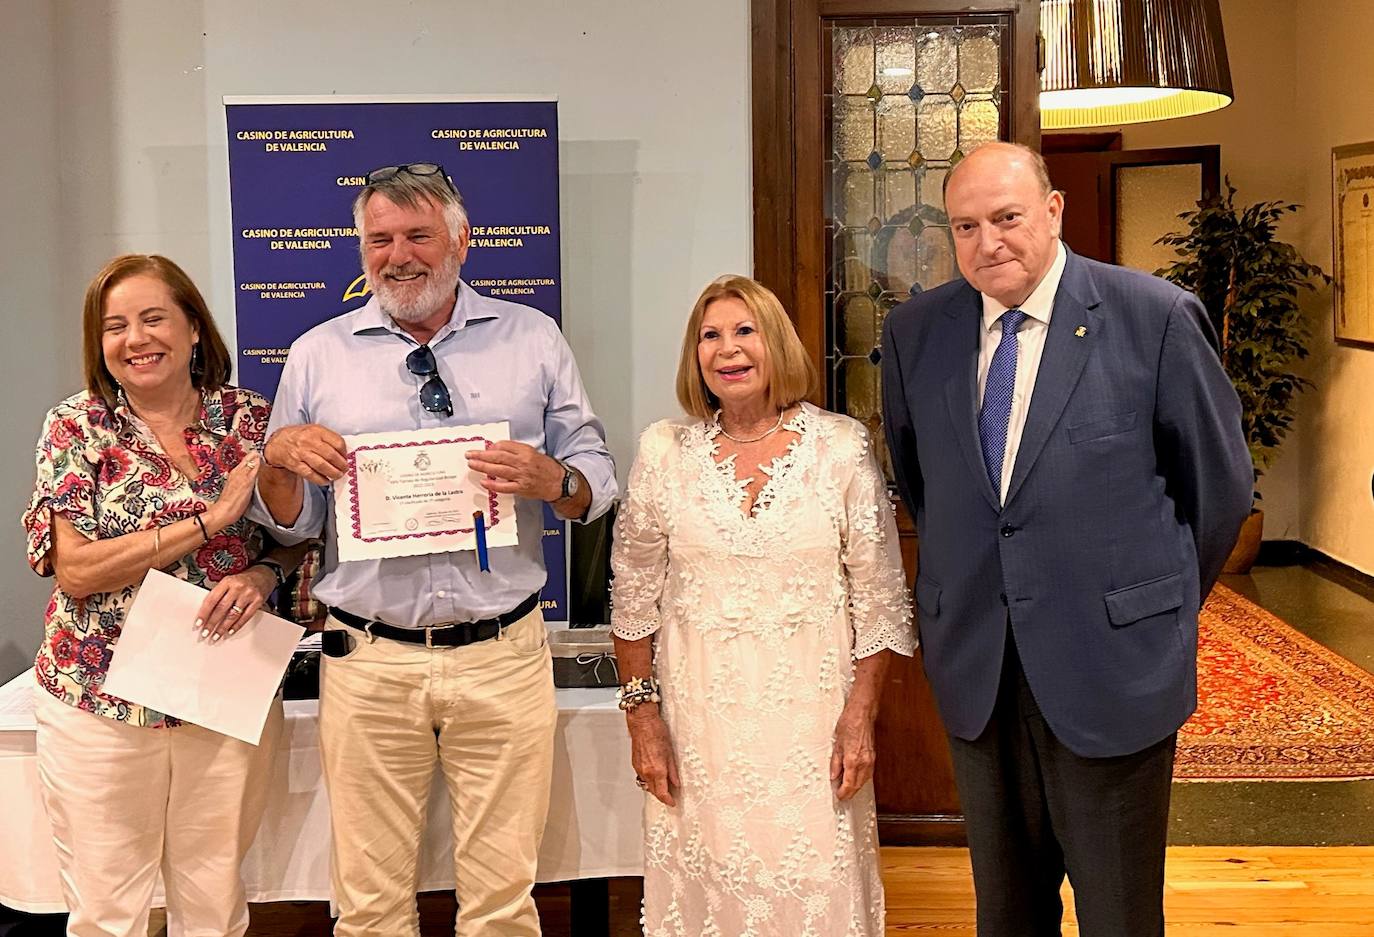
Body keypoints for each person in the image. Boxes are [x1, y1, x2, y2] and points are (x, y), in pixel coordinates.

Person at [881, 142, 1252, 936]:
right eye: (966, 226)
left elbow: (1217, 492)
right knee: (1006, 915)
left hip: (1111, 669)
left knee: (1119, 914)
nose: (989, 243)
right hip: (980, 668)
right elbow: (927, 486)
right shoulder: (917, 333)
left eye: (1008, 218)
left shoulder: (1153, 317)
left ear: (1052, 211)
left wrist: (1150, 607)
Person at [250, 162, 616, 937]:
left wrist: (555, 478)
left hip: (504, 651)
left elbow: (597, 482)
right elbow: (290, 522)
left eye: (418, 234)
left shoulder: (533, 337)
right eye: (379, 239)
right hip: (370, 658)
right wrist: (278, 459)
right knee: (370, 903)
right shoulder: (317, 354)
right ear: (361, 250)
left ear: (462, 240)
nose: (398, 254)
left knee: (503, 902)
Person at [610, 274, 914, 936]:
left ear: (774, 342)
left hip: (815, 732)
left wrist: (859, 720)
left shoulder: (839, 447)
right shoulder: (664, 450)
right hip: (699, 737)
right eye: (710, 335)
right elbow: (632, 602)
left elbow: (882, 602)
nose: (728, 349)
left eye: (744, 331)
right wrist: (643, 723)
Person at [22, 253, 307, 937]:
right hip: (100, 703)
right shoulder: (76, 426)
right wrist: (206, 522)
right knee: (108, 910)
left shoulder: (251, 420)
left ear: (194, 329)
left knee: (213, 900)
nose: (135, 338)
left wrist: (263, 574)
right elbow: (78, 570)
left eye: (154, 317)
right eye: (114, 326)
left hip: (222, 692)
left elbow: (296, 536)